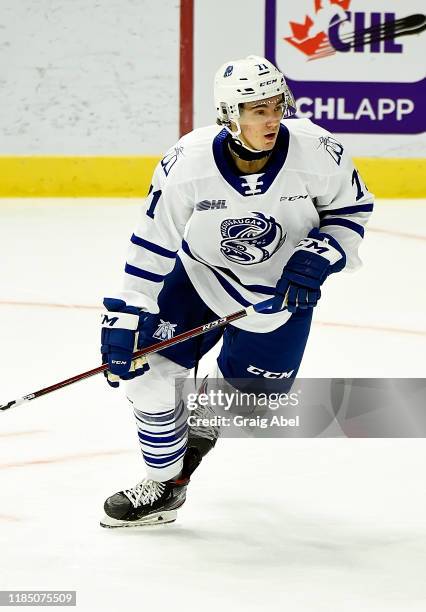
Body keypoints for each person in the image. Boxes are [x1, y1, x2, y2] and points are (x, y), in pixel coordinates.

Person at [99, 55, 373, 528]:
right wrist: (127, 314)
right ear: (229, 115)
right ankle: (165, 485)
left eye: (275, 105)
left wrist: (323, 252)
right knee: (146, 375)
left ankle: (208, 413)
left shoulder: (319, 151)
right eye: (256, 109)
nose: (271, 119)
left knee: (249, 397)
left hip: (281, 295)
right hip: (199, 275)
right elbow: (153, 239)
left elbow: (352, 209)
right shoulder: (188, 161)